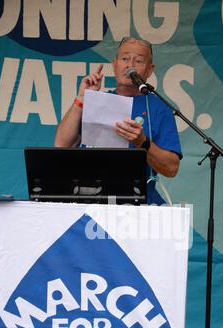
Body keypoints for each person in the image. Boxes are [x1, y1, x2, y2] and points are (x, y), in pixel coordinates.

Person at [54, 37, 182, 204]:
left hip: (138, 205)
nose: (130, 65)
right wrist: (81, 98)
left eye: (139, 61)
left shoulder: (159, 109)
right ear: (115, 65)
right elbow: (61, 145)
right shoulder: (97, 100)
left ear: (149, 70)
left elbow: (171, 168)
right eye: (125, 59)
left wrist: (142, 142)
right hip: (91, 201)